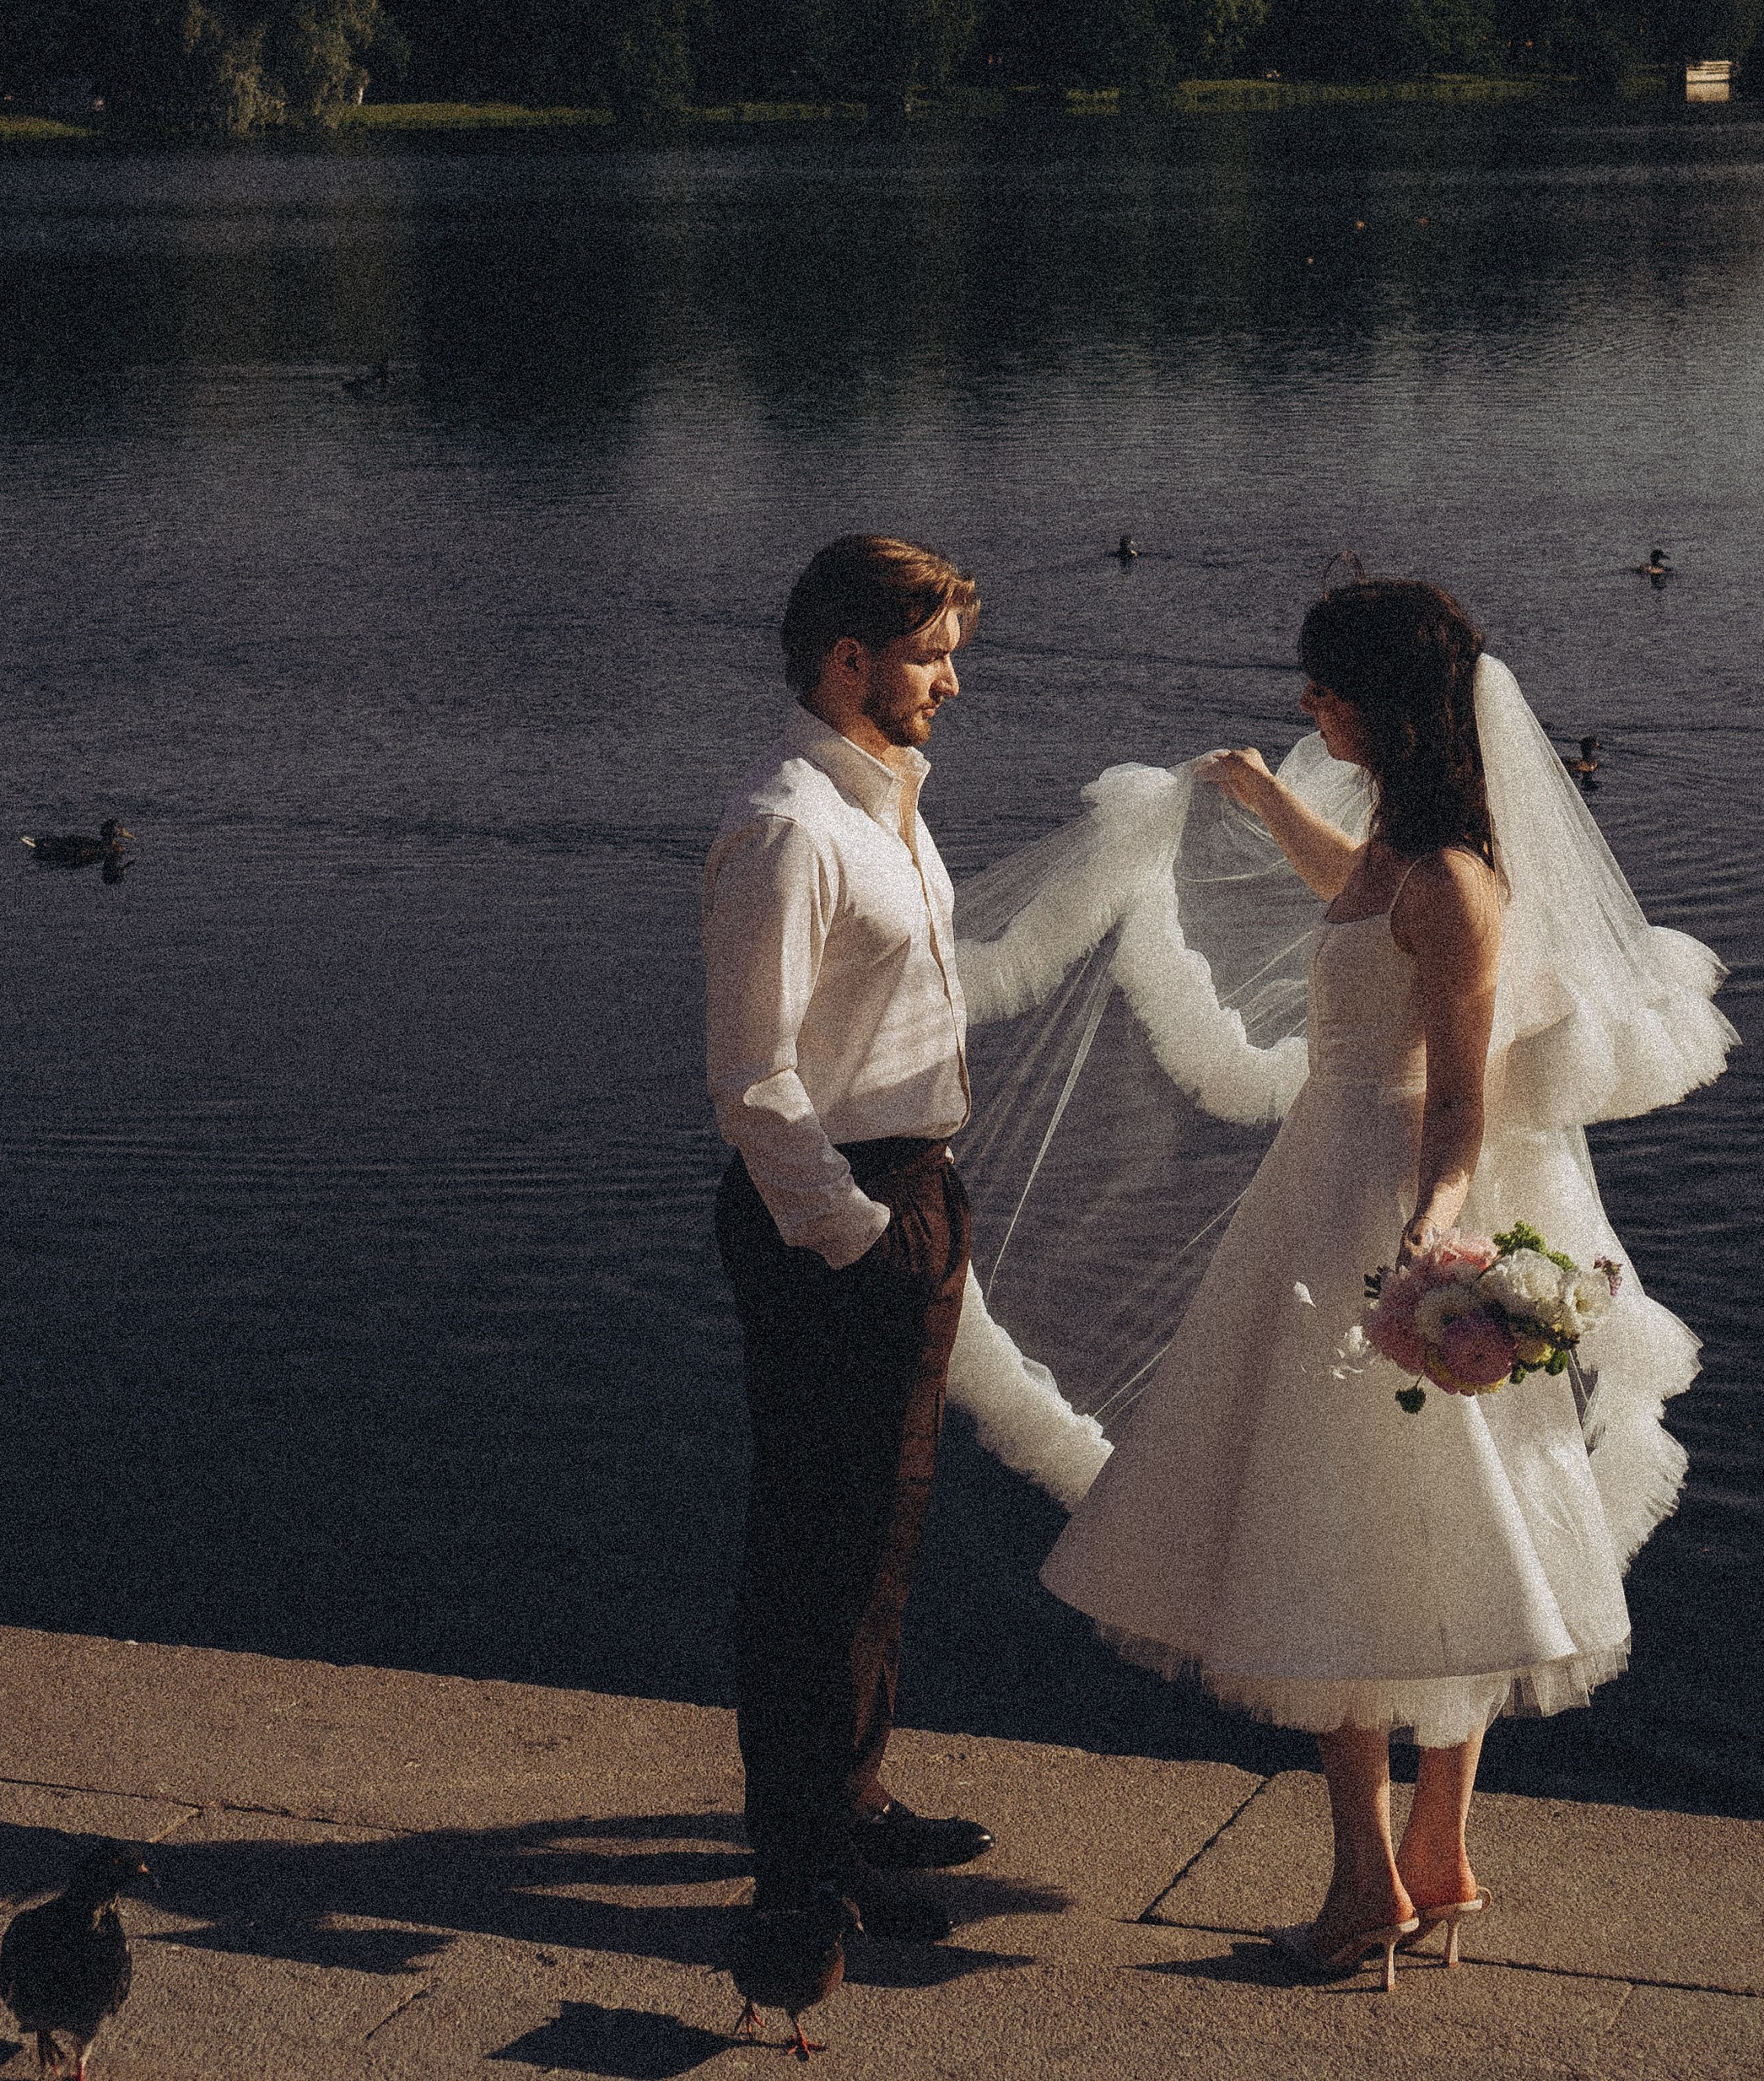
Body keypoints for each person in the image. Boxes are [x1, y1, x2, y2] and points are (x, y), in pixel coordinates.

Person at [1035, 580, 1680, 1987]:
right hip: (1325, 1185)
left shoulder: (1455, 882)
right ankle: (1433, 1861)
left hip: (1373, 1206)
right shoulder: (1399, 848)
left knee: (1343, 1533)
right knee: (1432, 1525)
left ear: (1386, 702)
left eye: (1324, 688)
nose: (1309, 708)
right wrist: (1268, 805)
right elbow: (1355, 903)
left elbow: (1456, 1104)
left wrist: (1427, 1244)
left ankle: (1360, 1890)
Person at [705, 534, 997, 1940]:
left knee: (883, 1525)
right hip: (835, 1211)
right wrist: (860, 1236)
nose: (951, 678)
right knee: (819, 1538)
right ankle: (809, 1855)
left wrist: (916, 1214)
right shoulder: (786, 828)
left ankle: (853, 1796)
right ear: (849, 660)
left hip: (910, 1190)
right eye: (931, 653)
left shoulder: (887, 803)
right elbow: (754, 1080)